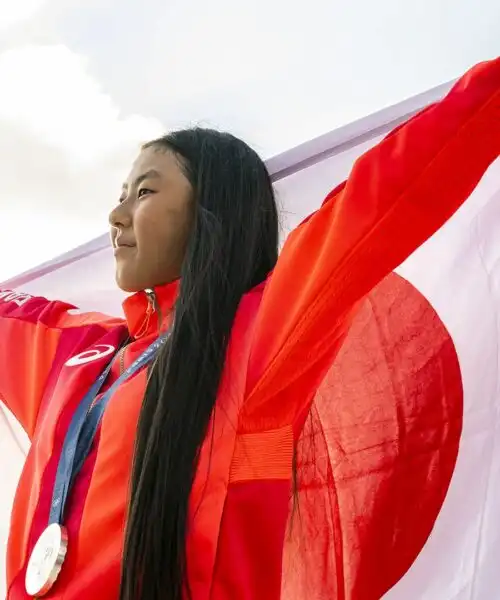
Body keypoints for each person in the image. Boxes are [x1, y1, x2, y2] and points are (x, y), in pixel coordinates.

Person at [0, 57, 499, 600]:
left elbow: (386, 192)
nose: (117, 216)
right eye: (121, 194)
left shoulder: (261, 332)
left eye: (144, 193)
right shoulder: (72, 350)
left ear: (211, 210)